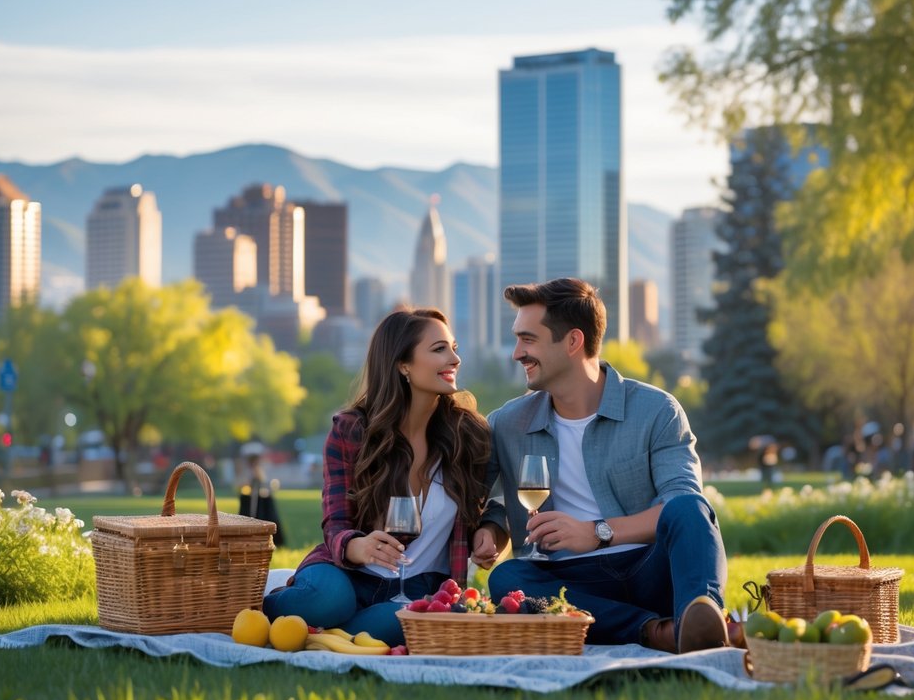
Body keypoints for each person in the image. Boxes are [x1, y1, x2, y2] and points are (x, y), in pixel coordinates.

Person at [485, 278, 729, 654]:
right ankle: (660, 632)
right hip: (568, 583)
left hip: (649, 568)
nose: (517, 353)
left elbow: (682, 504)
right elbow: (492, 502)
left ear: (572, 342)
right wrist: (490, 528)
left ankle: (702, 616)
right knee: (508, 577)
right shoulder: (507, 423)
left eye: (528, 339)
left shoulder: (656, 411)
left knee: (691, 509)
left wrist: (596, 532)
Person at [263, 308, 505, 645]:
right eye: (439, 349)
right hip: (347, 574)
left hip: (420, 587)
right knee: (329, 600)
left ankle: (318, 631)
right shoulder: (352, 430)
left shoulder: (467, 434)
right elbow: (334, 522)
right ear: (402, 364)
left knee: (402, 624)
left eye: (454, 347)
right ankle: (267, 604)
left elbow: (496, 501)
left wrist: (492, 528)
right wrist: (355, 546)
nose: (455, 358)